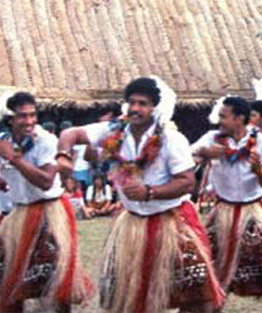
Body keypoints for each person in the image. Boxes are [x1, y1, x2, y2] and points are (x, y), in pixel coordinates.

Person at [57, 77, 224, 312]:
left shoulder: (171, 140)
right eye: (132, 102)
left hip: (172, 220)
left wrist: (150, 192)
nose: (136, 108)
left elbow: (187, 183)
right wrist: (63, 155)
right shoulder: (112, 131)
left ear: (154, 108)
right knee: (129, 296)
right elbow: (71, 134)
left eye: (143, 103)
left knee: (197, 295)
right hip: (132, 223)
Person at [192, 96, 262, 312]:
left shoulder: (261, 141)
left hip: (253, 210)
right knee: (212, 267)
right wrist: (204, 153)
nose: (219, 121)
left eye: (223, 117)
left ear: (240, 118)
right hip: (223, 210)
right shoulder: (211, 138)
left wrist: (258, 169)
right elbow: (188, 158)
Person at [0, 92, 93, 312]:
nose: (30, 121)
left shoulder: (46, 141)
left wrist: (14, 158)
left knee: (55, 280)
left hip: (50, 213)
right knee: (10, 282)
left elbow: (45, 181)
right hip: (18, 214)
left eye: (33, 115)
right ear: (10, 120)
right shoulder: (4, 142)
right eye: (23, 116)